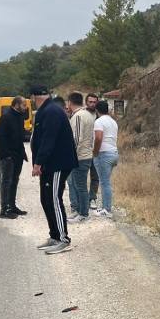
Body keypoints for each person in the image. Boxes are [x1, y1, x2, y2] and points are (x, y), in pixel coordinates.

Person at [29, 85, 78, 254]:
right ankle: (54, 236)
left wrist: (38, 163)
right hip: (49, 165)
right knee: (46, 199)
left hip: (57, 164)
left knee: (54, 199)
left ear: (33, 97)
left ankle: (64, 239)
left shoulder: (51, 111)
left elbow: (48, 139)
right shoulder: (45, 111)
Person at [0, 95, 29, 219]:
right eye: (24, 105)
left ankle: (12, 206)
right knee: (6, 182)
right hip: (8, 156)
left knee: (14, 181)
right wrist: (7, 154)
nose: (25, 107)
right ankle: (4, 209)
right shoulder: (6, 118)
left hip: (18, 155)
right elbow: (0, 137)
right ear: (17, 105)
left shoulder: (20, 117)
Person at [66, 92, 94, 222]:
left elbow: (77, 138)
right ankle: (78, 210)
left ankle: (83, 214)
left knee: (80, 186)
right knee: (79, 185)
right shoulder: (88, 114)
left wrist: (70, 156)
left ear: (70, 102)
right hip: (86, 154)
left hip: (80, 157)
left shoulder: (78, 116)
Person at [92, 100, 119, 218]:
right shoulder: (113, 122)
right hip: (114, 153)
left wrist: (95, 151)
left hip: (104, 154)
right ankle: (105, 206)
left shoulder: (99, 121)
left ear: (96, 110)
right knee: (106, 181)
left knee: (104, 182)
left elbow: (98, 138)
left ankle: (107, 209)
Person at [85, 93, 100, 209]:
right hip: (84, 150)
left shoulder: (100, 117)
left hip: (96, 150)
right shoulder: (82, 115)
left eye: (94, 102)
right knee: (81, 177)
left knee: (95, 176)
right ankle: (82, 199)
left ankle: (93, 198)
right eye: (90, 102)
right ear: (86, 102)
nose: (92, 104)